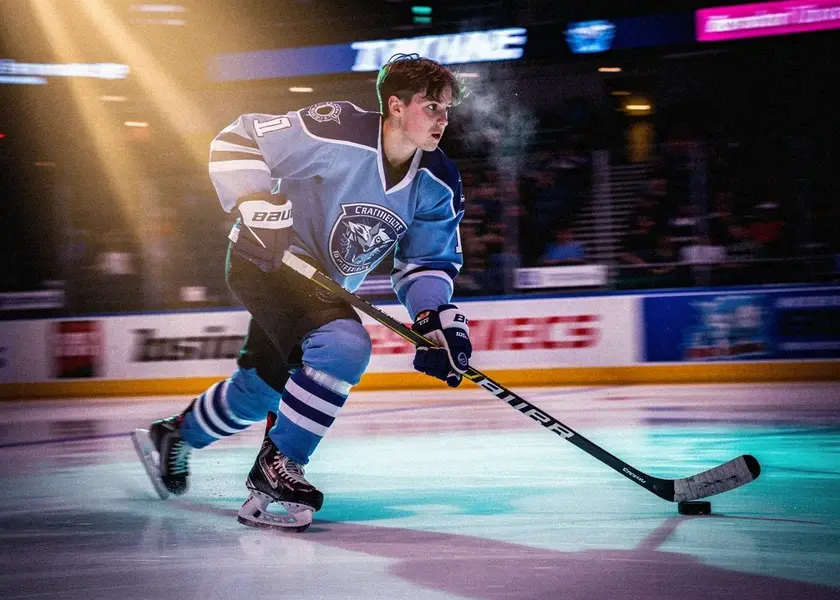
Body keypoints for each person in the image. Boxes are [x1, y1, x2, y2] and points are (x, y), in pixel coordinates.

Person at [132, 54, 473, 532]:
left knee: (264, 388)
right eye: (432, 106)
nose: (443, 119)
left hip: (321, 286)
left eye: (447, 109)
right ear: (396, 106)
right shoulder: (339, 131)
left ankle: (175, 435)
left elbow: (426, 262)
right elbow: (238, 138)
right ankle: (279, 466)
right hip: (266, 262)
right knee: (343, 346)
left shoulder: (438, 180)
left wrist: (434, 318)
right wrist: (255, 199)